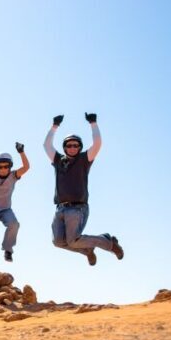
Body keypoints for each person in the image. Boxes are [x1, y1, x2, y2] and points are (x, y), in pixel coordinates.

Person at [44, 113, 124, 265]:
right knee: (58, 242)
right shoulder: (58, 160)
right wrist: (54, 126)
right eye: (69, 145)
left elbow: (97, 143)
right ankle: (87, 249)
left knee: (73, 240)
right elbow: (46, 145)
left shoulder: (84, 159)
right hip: (60, 208)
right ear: (65, 148)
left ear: (80, 147)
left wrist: (93, 123)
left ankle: (109, 243)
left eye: (76, 145)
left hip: (77, 208)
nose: (72, 147)